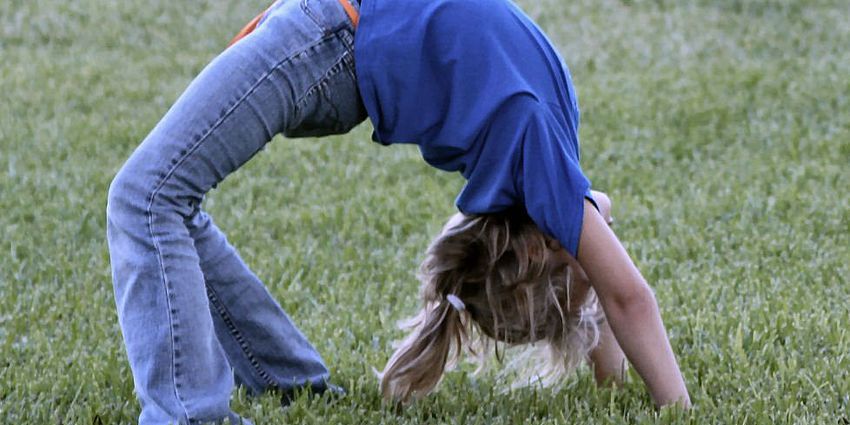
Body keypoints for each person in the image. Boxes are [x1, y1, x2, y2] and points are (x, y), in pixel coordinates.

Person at [105, 0, 690, 423]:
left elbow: (614, 290)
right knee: (169, 205)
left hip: (325, 41)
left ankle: (192, 417)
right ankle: (289, 384)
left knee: (147, 197)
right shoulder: (551, 168)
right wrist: (639, 395)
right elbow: (610, 273)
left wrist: (653, 396)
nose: (593, 252)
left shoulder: (539, 156)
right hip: (325, 37)